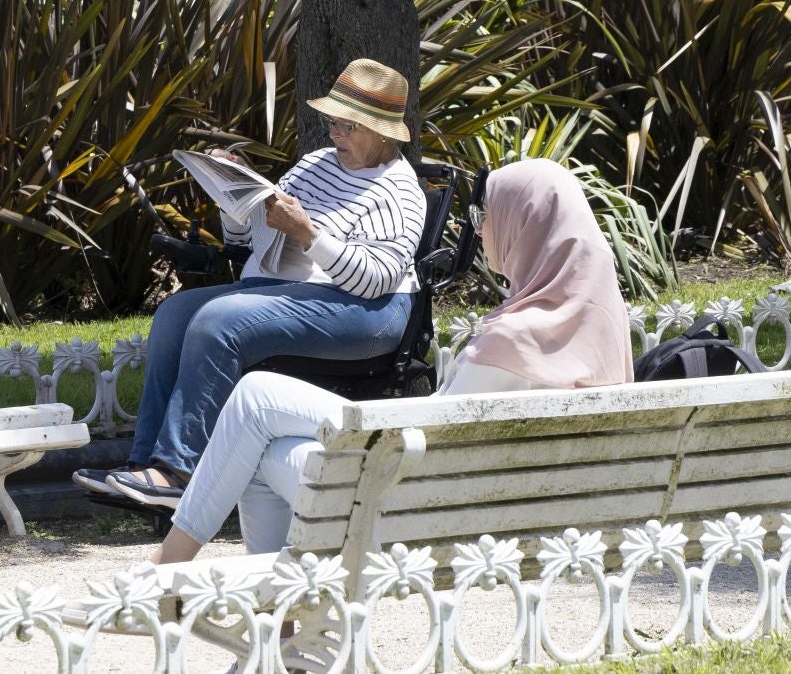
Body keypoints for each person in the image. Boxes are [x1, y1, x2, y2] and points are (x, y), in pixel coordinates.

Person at [151, 157, 635, 564]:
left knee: (255, 401)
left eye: (488, 214)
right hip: (496, 504)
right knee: (257, 444)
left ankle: (171, 573)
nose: (481, 228)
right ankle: (278, 636)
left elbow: (428, 434)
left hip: (417, 507)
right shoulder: (599, 328)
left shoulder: (515, 338)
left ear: (524, 225)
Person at [72, 59, 428, 507]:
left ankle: (179, 471)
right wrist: (232, 198)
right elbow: (245, 239)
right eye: (333, 123)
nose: (335, 135)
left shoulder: (399, 192)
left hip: (366, 312)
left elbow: (374, 281)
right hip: (286, 291)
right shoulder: (317, 165)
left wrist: (307, 234)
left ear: (383, 133)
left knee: (221, 319)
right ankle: (144, 464)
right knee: (176, 312)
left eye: (348, 127)